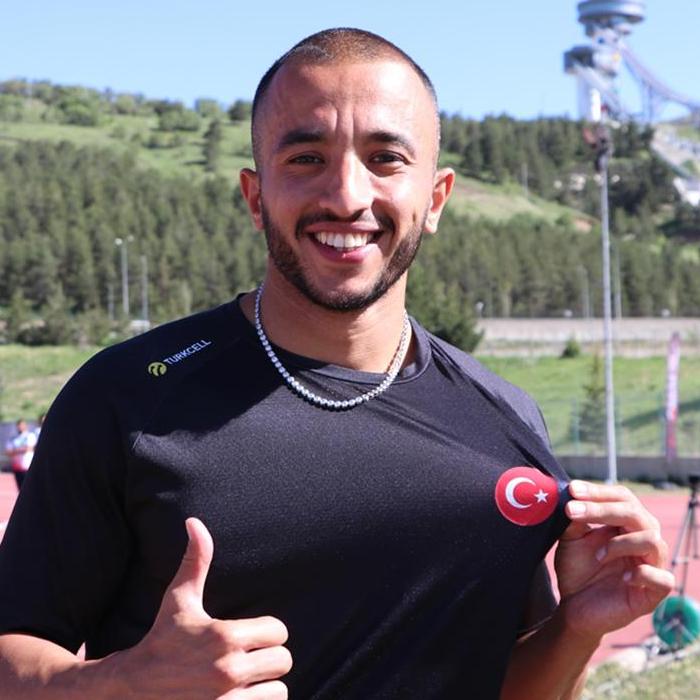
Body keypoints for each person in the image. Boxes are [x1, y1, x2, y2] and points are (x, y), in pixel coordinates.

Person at [0, 28, 673, 699]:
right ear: (255, 197)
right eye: (306, 158)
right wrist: (127, 684)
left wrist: (575, 628)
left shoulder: (506, 420)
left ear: (436, 199)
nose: (347, 196)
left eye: (385, 159)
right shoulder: (128, 398)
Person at [4, 419, 37, 491]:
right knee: (20, 489)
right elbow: (8, 452)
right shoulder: (13, 438)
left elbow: (30, 448)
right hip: (17, 467)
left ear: (25, 426)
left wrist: (15, 450)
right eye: (19, 425)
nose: (20, 427)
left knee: (29, 488)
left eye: (22, 425)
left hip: (28, 467)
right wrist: (21, 449)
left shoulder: (30, 436)